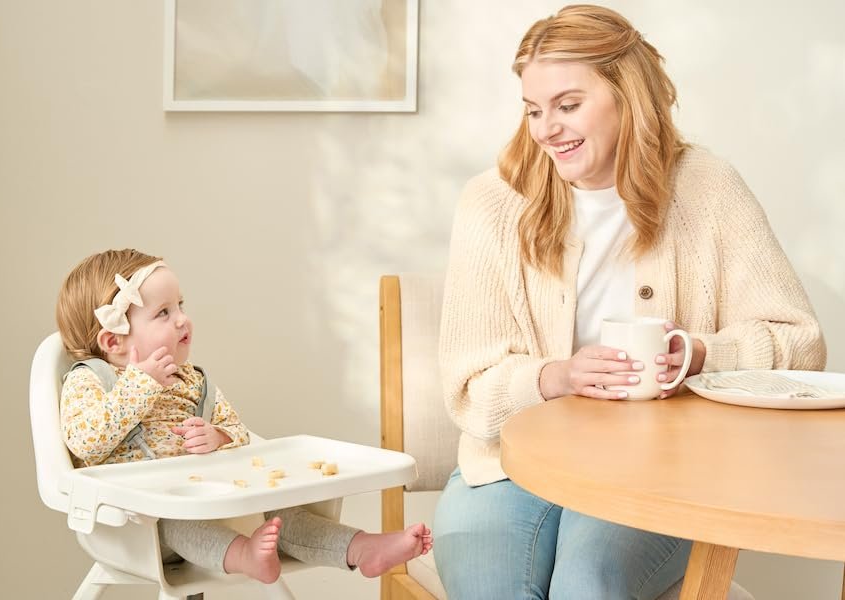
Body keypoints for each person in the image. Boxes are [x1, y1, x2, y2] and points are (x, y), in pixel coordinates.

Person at [432, 5, 826, 599]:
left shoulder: (708, 188)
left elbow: (799, 341)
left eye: (568, 105)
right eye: (534, 110)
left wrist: (698, 354)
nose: (547, 129)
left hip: (663, 474)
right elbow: (468, 387)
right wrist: (556, 376)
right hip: (507, 467)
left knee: (587, 587)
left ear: (627, 94)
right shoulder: (492, 203)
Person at [56, 248, 432, 583]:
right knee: (176, 521)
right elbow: (86, 444)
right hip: (134, 528)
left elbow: (240, 433)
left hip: (215, 506)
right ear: (112, 341)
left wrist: (219, 436)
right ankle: (243, 556)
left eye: (181, 306)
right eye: (163, 313)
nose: (182, 320)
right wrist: (139, 384)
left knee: (283, 513)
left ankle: (361, 548)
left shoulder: (192, 381)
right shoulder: (91, 380)